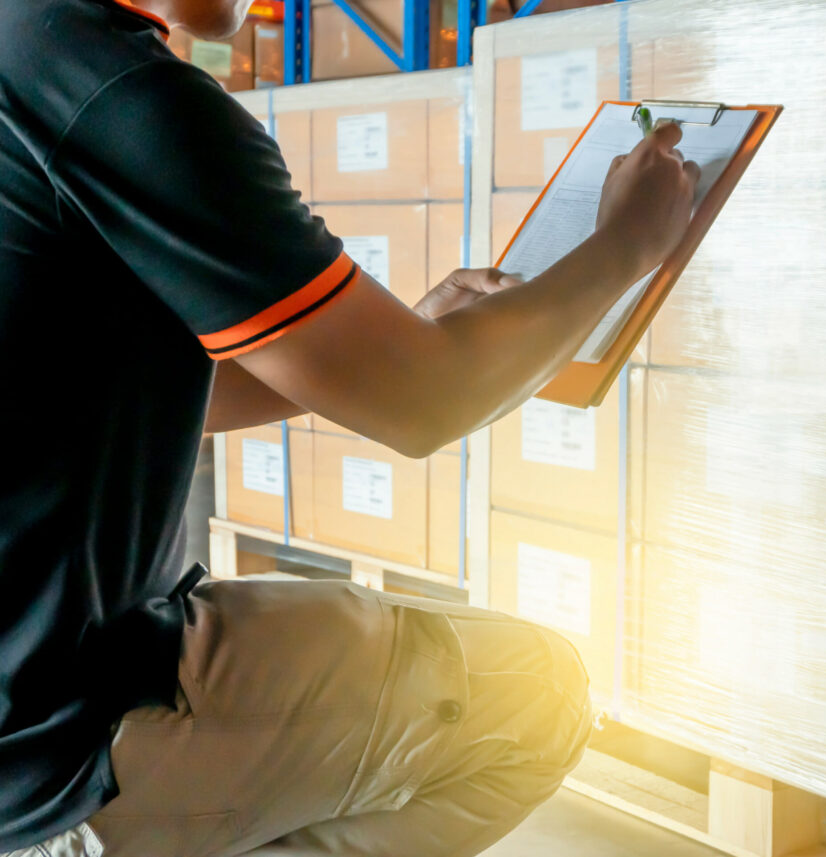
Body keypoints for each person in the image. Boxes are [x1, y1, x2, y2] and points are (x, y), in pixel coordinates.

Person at [0, 0, 699, 853]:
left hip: (24, 693)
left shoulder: (22, 54)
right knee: (537, 695)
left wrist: (384, 338)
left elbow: (126, 385)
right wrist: (628, 244)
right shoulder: (125, 99)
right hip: (57, 742)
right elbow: (426, 404)